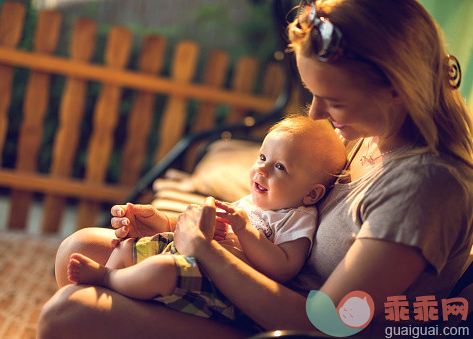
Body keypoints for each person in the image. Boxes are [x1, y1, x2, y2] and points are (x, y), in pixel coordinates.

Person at [38, 0, 473, 338]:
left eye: (333, 101)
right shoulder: (369, 134)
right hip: (262, 298)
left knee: (70, 314)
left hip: (293, 328)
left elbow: (333, 323)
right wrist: (173, 223)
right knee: (81, 248)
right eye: (313, 94)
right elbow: (272, 213)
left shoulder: (425, 187)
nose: (318, 115)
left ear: (397, 88)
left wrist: (205, 251)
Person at [65, 115, 346, 321]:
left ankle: (109, 280)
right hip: (193, 263)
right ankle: (112, 308)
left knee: (162, 270)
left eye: (280, 167)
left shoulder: (299, 218)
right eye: (262, 157)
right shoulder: (250, 202)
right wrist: (163, 223)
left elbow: (284, 268)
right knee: (127, 246)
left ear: (311, 194)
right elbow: (197, 229)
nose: (261, 170)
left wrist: (245, 230)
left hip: (220, 291)